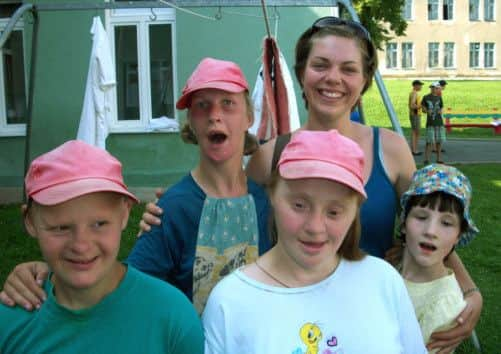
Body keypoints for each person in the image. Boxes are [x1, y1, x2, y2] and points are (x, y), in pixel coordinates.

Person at [139, 17, 483, 351]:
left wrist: (467, 289)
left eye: (348, 69)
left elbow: (425, 224)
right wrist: (168, 210)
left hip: (371, 315)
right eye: (320, 65)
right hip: (287, 317)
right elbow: (233, 201)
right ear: (302, 73)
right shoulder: (271, 156)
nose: (333, 78)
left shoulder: (391, 150)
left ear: (364, 80)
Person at [0, 58, 271, 315]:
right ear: (192, 122)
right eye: (202, 105)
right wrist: (51, 274)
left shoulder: (264, 201)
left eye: (227, 103)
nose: (214, 115)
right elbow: (127, 288)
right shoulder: (173, 208)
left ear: (248, 117)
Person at [202, 130, 427, 353]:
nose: (315, 227)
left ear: (355, 211)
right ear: (272, 195)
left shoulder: (383, 282)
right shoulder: (230, 301)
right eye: (299, 205)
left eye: (334, 212)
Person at [0, 140, 203, 354]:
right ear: (30, 221)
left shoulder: (172, 318)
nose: (81, 245)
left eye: (99, 224)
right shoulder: (10, 320)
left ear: (125, 213)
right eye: (60, 227)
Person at [399, 164, 480, 353]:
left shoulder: (444, 305)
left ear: (458, 236)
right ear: (404, 224)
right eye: (421, 217)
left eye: (446, 223)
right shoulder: (391, 270)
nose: (430, 231)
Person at [422, 82, 445, 164]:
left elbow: (442, 107)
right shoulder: (426, 97)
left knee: (439, 141)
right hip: (430, 122)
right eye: (432, 87)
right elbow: (423, 108)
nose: (433, 89)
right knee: (429, 141)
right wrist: (427, 111)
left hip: (439, 122)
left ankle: (439, 159)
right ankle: (426, 159)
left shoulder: (439, 98)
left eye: (435, 88)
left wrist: (440, 111)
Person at [409, 79, 424, 156]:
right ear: (415, 86)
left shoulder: (415, 93)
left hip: (416, 115)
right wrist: (421, 106)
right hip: (415, 115)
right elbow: (412, 105)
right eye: (420, 85)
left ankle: (414, 149)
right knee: (416, 132)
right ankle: (414, 150)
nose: (421, 86)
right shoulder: (414, 93)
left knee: (416, 132)